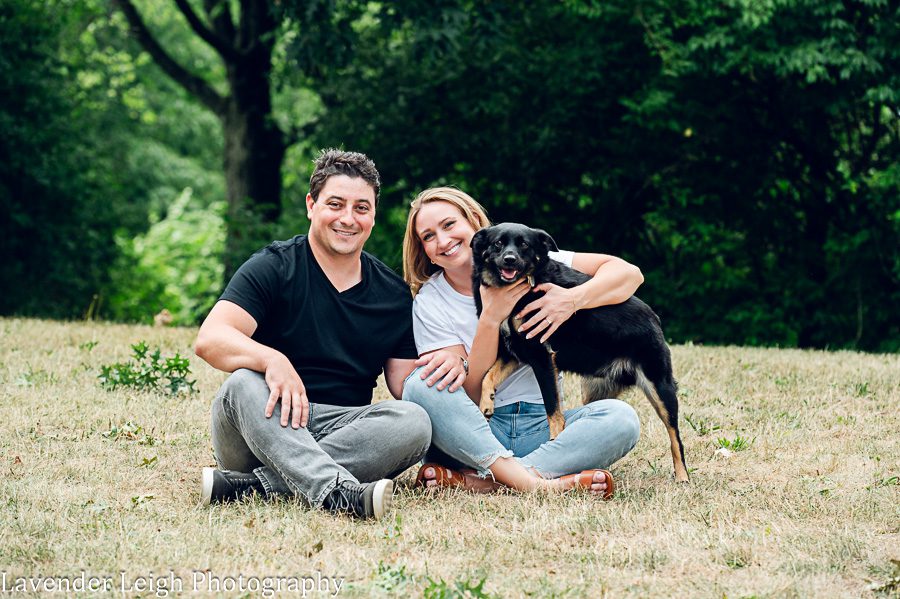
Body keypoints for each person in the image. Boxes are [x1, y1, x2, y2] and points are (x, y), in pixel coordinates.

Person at [194, 149, 432, 520]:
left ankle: (253, 487)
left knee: (414, 420)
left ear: (373, 216)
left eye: (361, 208)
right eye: (335, 204)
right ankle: (336, 491)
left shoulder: (393, 295)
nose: (348, 219)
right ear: (311, 204)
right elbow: (210, 339)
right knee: (242, 383)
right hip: (261, 422)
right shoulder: (274, 266)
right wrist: (271, 359)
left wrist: (461, 355)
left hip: (341, 427)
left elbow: (408, 387)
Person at [401, 187, 644, 497]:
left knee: (621, 419)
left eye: (449, 225)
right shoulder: (430, 301)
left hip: (541, 426)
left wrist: (571, 299)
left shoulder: (534, 260)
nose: (443, 240)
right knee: (419, 384)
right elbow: (470, 394)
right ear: (423, 248)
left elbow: (629, 274)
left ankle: (489, 481)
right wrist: (490, 318)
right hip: (479, 430)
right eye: (429, 236)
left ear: (476, 222)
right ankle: (534, 482)